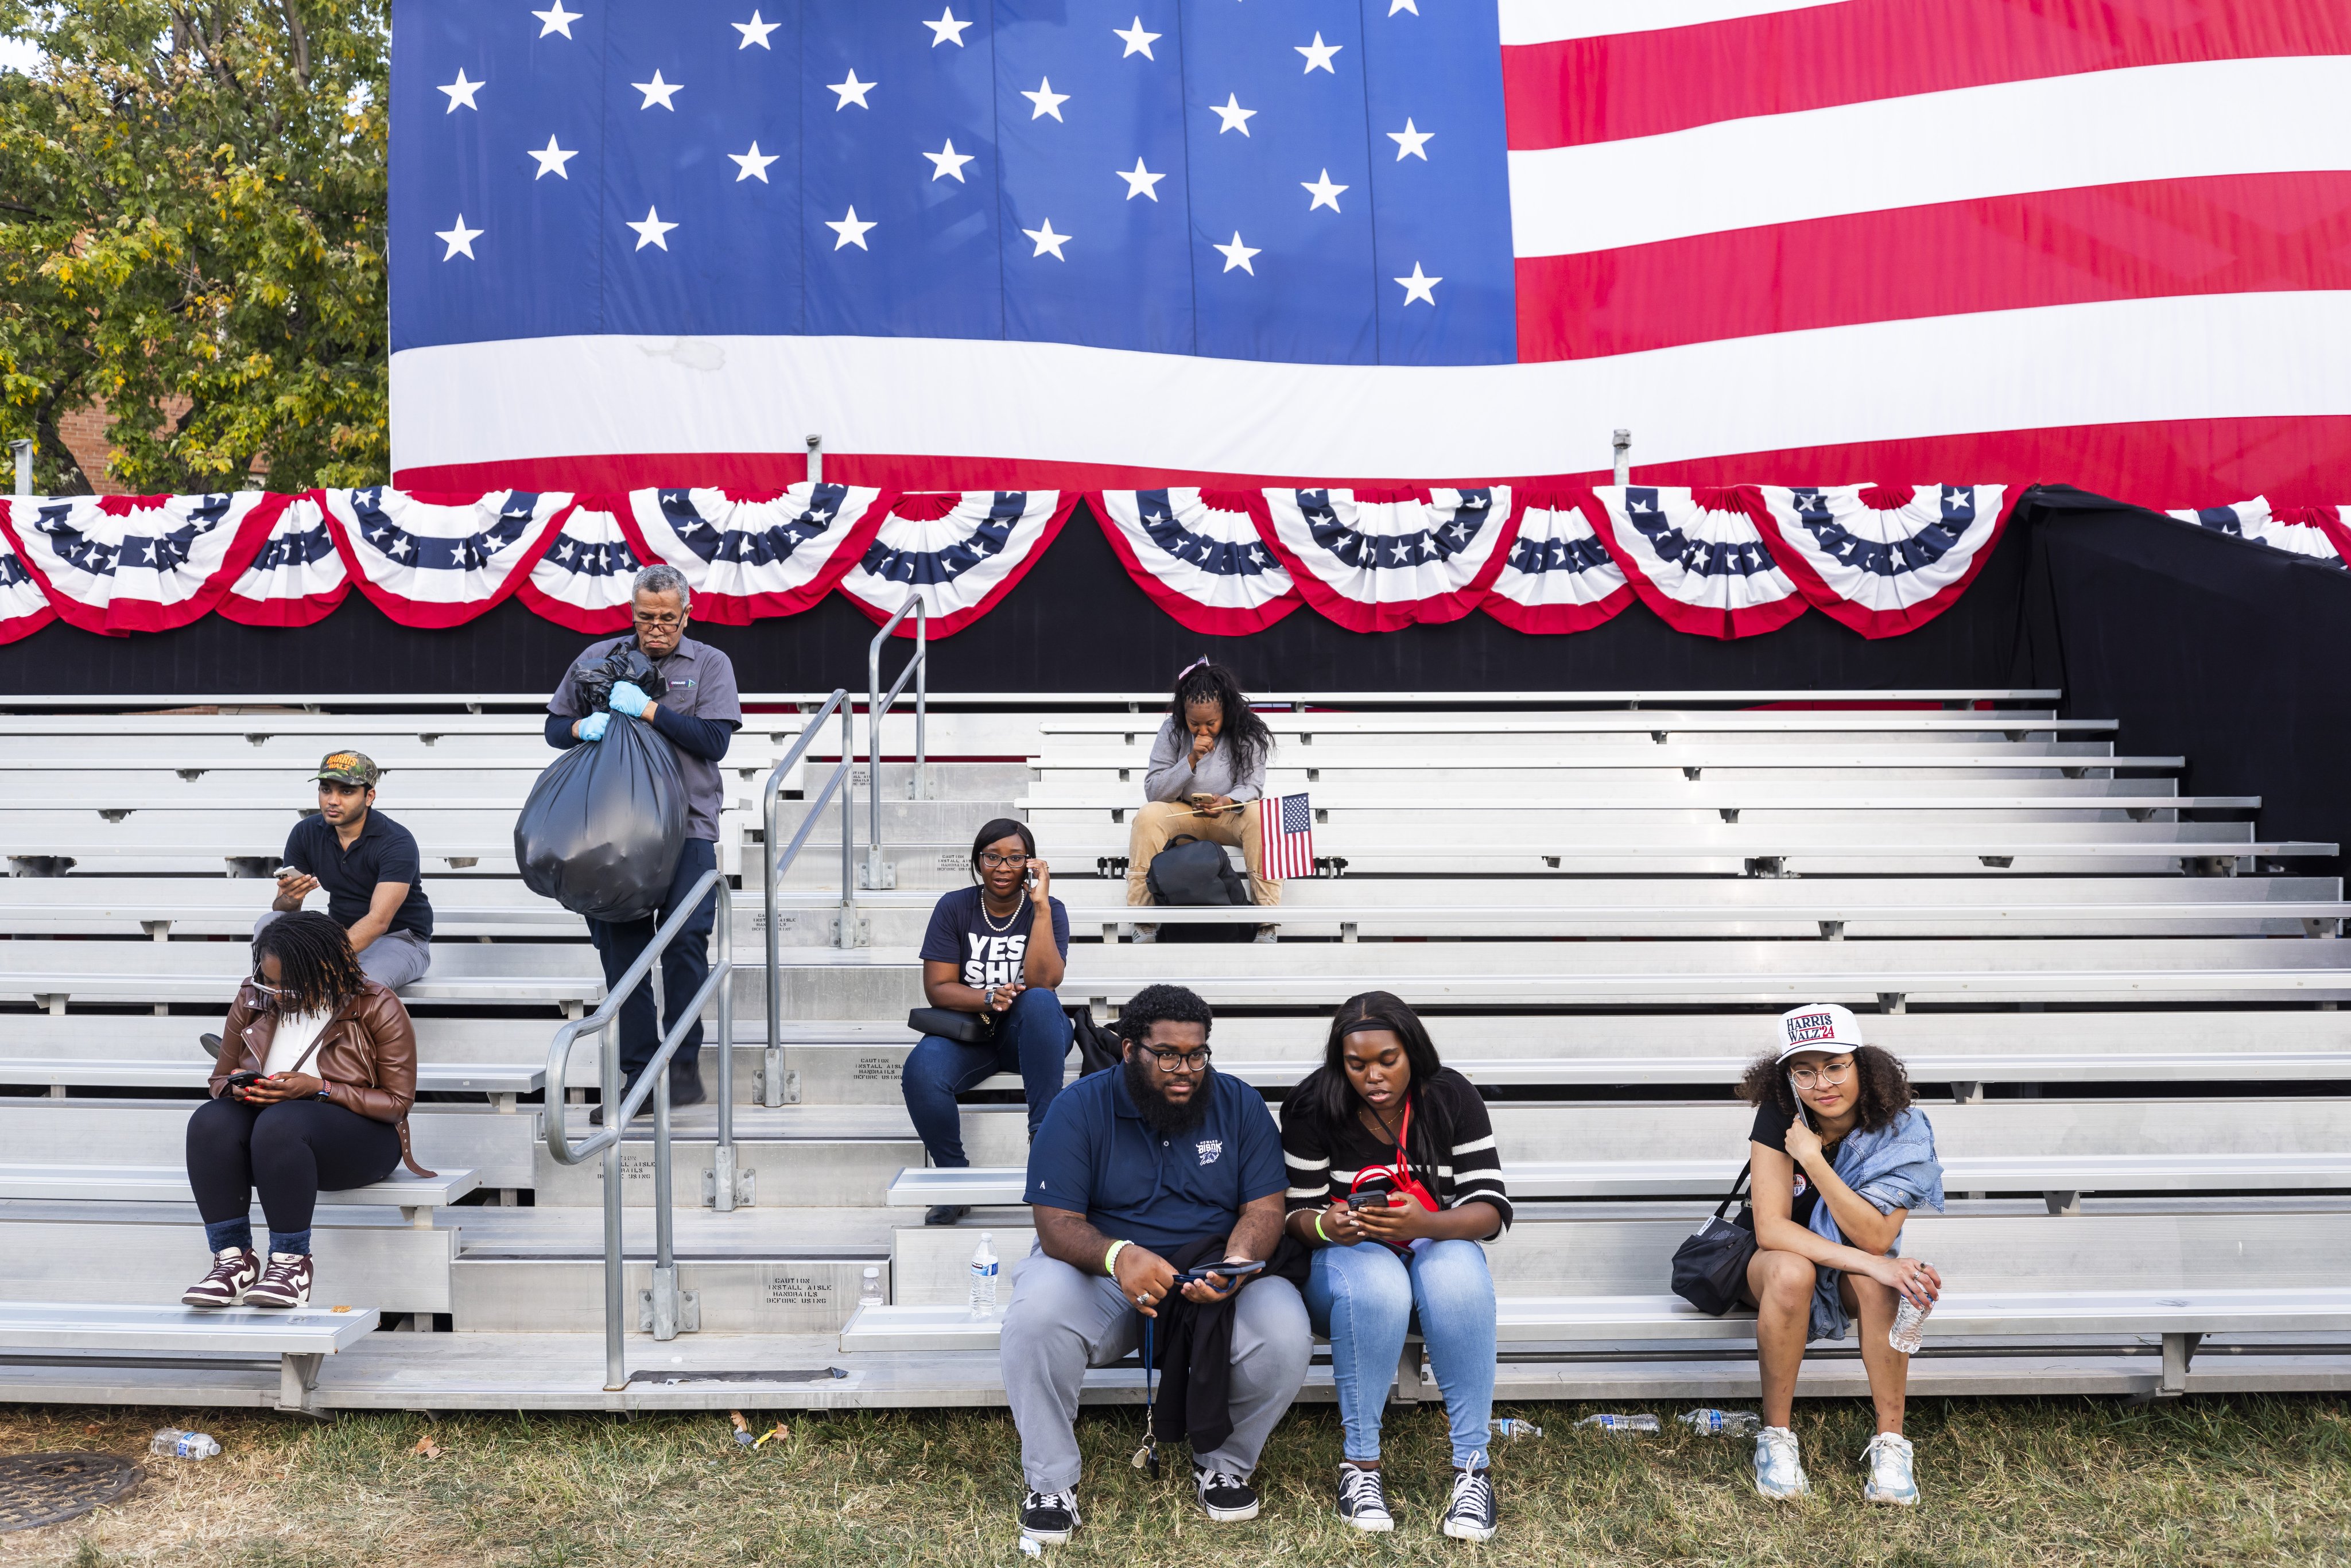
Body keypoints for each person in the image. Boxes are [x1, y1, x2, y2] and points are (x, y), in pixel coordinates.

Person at [1000, 984, 1309, 1545]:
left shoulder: (1238, 1104)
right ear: (1128, 1051)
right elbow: (1055, 1224)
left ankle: (1224, 1462)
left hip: (1210, 1267)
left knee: (1286, 1329)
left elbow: (1265, 1209)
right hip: (1104, 1274)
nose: (1184, 1068)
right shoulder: (1078, 1107)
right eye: (1167, 1053)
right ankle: (1050, 1483)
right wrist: (1119, 1255)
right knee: (1035, 1312)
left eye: (1196, 1053)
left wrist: (1236, 1263)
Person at [1281, 991, 1510, 1540]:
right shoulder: (1314, 1104)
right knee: (1380, 1282)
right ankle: (1360, 1467)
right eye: (1356, 1064)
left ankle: (1472, 1470)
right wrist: (1325, 1224)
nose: (1373, 1076)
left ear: (1413, 1051)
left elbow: (1491, 1210)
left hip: (1432, 1244)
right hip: (1346, 1261)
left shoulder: (1450, 1095)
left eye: (1388, 1060)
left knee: (1456, 1265)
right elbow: (1294, 1215)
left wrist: (1424, 1225)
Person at [546, 564, 742, 1117]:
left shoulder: (710, 664)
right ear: (632, 612)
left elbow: (714, 741)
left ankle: (681, 1066)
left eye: (667, 618)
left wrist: (651, 710)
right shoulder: (595, 658)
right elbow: (555, 727)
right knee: (623, 954)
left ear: (687, 612)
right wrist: (584, 727)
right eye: (645, 617)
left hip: (687, 827)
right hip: (612, 832)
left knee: (684, 942)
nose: (656, 628)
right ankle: (639, 1073)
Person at [1739, 1002, 1946, 1507]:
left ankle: (1892, 1444)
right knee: (1793, 1271)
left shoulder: (1904, 1130)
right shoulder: (1781, 1115)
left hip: (1857, 1264)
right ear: (1787, 1076)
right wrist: (1874, 1262)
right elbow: (1770, 1230)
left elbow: (1875, 1238)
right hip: (1776, 1266)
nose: (1822, 1084)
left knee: (1883, 1280)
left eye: (1835, 1067)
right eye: (1804, 1071)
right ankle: (1777, 1438)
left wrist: (1812, 1158)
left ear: (1863, 1066)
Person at [181, 913, 432, 1311]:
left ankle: (291, 1265)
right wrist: (248, 1089)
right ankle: (233, 1262)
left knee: (284, 1121)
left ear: (327, 969)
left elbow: (397, 1103)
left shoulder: (377, 1004)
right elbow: (218, 1080)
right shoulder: (253, 995)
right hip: (275, 1146)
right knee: (209, 1121)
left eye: (288, 984)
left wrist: (320, 1089)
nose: (276, 994)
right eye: (269, 981)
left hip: (361, 1143)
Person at [903, 818, 1074, 1228]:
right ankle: (954, 1179)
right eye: (993, 857)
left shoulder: (1049, 911)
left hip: (1031, 1032)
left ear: (1030, 864)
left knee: (1037, 1001)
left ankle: (1045, 1150)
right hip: (972, 1030)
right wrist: (986, 996)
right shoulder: (955, 906)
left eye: (1015, 858)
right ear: (979, 861)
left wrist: (1041, 908)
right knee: (921, 1071)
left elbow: (1045, 982)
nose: (1003, 867)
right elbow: (938, 988)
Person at [1126, 661, 1279, 935]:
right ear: (1183, 713)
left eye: (1211, 723)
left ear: (1226, 711)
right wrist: (1191, 759)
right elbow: (1155, 791)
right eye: (1194, 723)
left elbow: (1253, 786)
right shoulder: (1172, 731)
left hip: (1228, 815)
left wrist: (1228, 801)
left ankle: (1266, 918)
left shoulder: (1247, 731)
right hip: (1184, 814)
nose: (1203, 731)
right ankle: (1142, 917)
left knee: (1261, 815)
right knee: (1148, 816)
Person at [257, 751, 433, 990]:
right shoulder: (306, 832)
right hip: (339, 934)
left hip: (399, 939)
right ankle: (260, 1015)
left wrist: (319, 959)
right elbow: (282, 908)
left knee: (361, 987)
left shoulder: (396, 841)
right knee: (270, 922)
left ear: (369, 796)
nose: (333, 800)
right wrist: (290, 899)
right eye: (326, 789)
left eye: (346, 792)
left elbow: (378, 921)